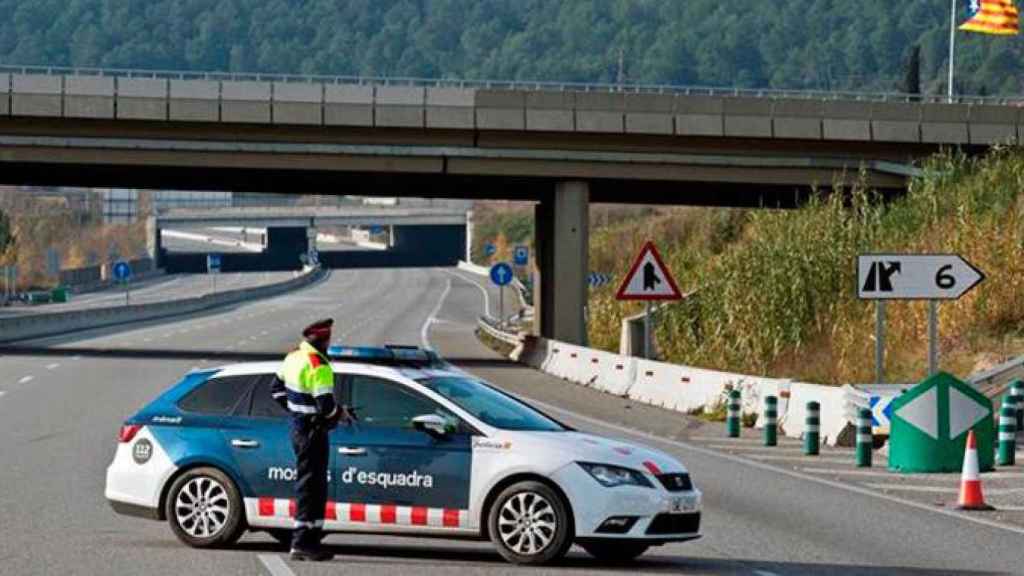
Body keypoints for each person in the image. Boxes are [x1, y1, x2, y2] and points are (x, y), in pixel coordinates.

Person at [271, 318, 355, 562]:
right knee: (311, 487)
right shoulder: (319, 365)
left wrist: (297, 409)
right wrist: (342, 413)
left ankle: (311, 541)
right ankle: (301, 543)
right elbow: (326, 408)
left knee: (315, 485)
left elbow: (275, 389)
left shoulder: (293, 357)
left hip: (299, 428)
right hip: (313, 432)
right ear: (323, 341)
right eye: (328, 340)